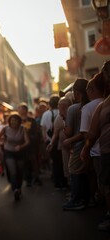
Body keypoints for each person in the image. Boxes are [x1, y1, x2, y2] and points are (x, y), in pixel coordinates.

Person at [81, 61, 110, 231]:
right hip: (105, 151)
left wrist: (86, 148)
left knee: (107, 186)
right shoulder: (102, 104)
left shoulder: (102, 105)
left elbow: (91, 134)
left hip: (106, 152)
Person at [62, 78, 89, 210]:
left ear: (77, 93)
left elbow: (68, 131)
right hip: (91, 145)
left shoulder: (73, 109)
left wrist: (64, 125)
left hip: (78, 146)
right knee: (87, 172)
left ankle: (77, 200)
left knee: (74, 171)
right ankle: (87, 198)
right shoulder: (92, 105)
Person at [0, 112, 29, 201]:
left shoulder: (23, 129)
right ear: (9, 121)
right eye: (12, 121)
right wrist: (1, 141)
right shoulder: (5, 128)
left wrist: (21, 146)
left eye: (15, 121)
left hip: (20, 152)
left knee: (20, 172)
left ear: (19, 121)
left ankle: (19, 188)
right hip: (9, 152)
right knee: (13, 171)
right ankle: (15, 189)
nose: (13, 122)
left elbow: (27, 141)